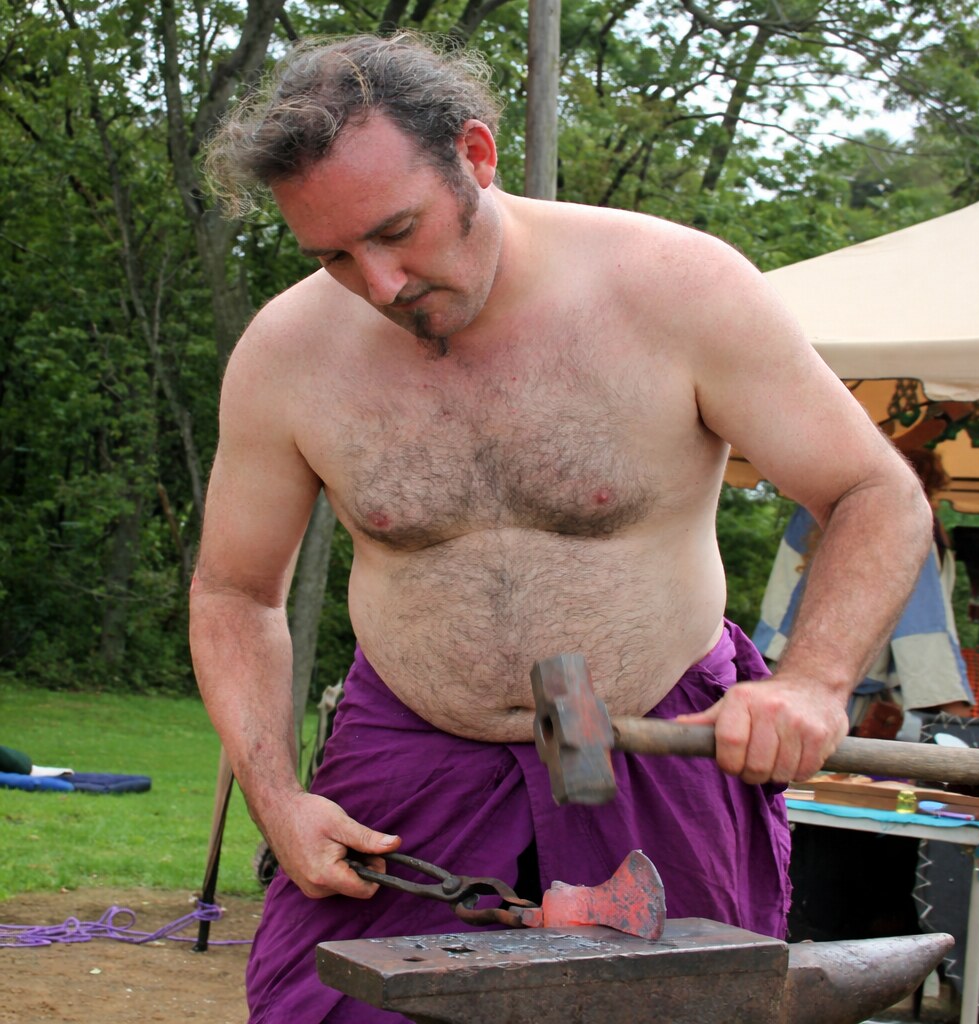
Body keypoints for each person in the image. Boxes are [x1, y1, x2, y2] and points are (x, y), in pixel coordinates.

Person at [189, 33, 933, 1023]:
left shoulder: (675, 289)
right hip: (405, 757)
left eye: (397, 230)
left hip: (661, 740)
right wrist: (278, 799)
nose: (377, 283)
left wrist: (813, 679)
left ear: (477, 157)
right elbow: (236, 592)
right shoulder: (287, 353)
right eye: (331, 255)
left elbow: (875, 494)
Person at [755, 448, 974, 737]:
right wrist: (956, 715)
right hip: (839, 700)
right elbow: (922, 628)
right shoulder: (897, 523)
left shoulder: (812, 512)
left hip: (781, 679)